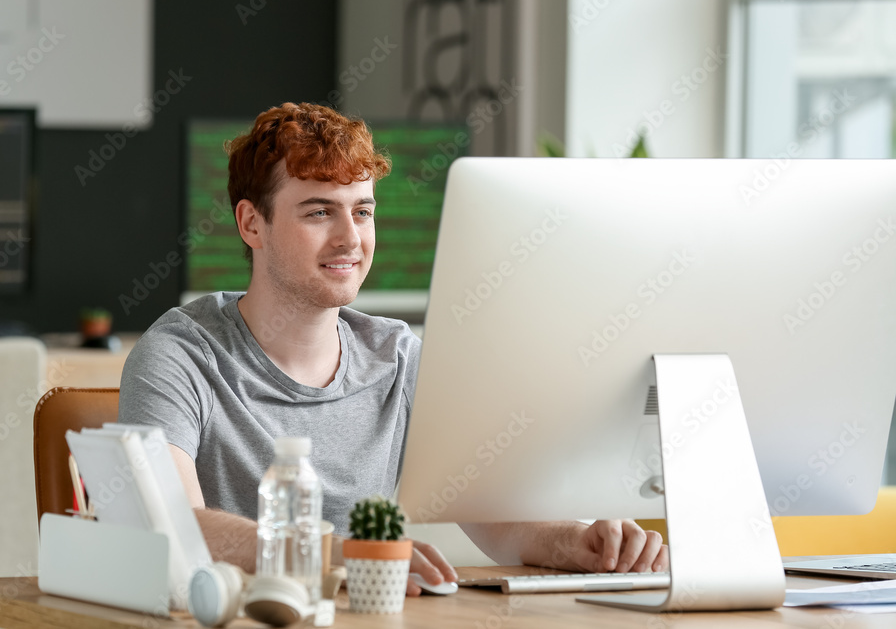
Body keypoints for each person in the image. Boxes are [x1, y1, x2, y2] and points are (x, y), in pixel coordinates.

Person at [118, 102, 668, 596]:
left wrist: (577, 541)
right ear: (251, 224)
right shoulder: (180, 354)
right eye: (318, 212)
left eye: (362, 210)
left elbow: (487, 513)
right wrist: (339, 557)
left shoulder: (397, 357)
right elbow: (171, 520)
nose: (350, 239)